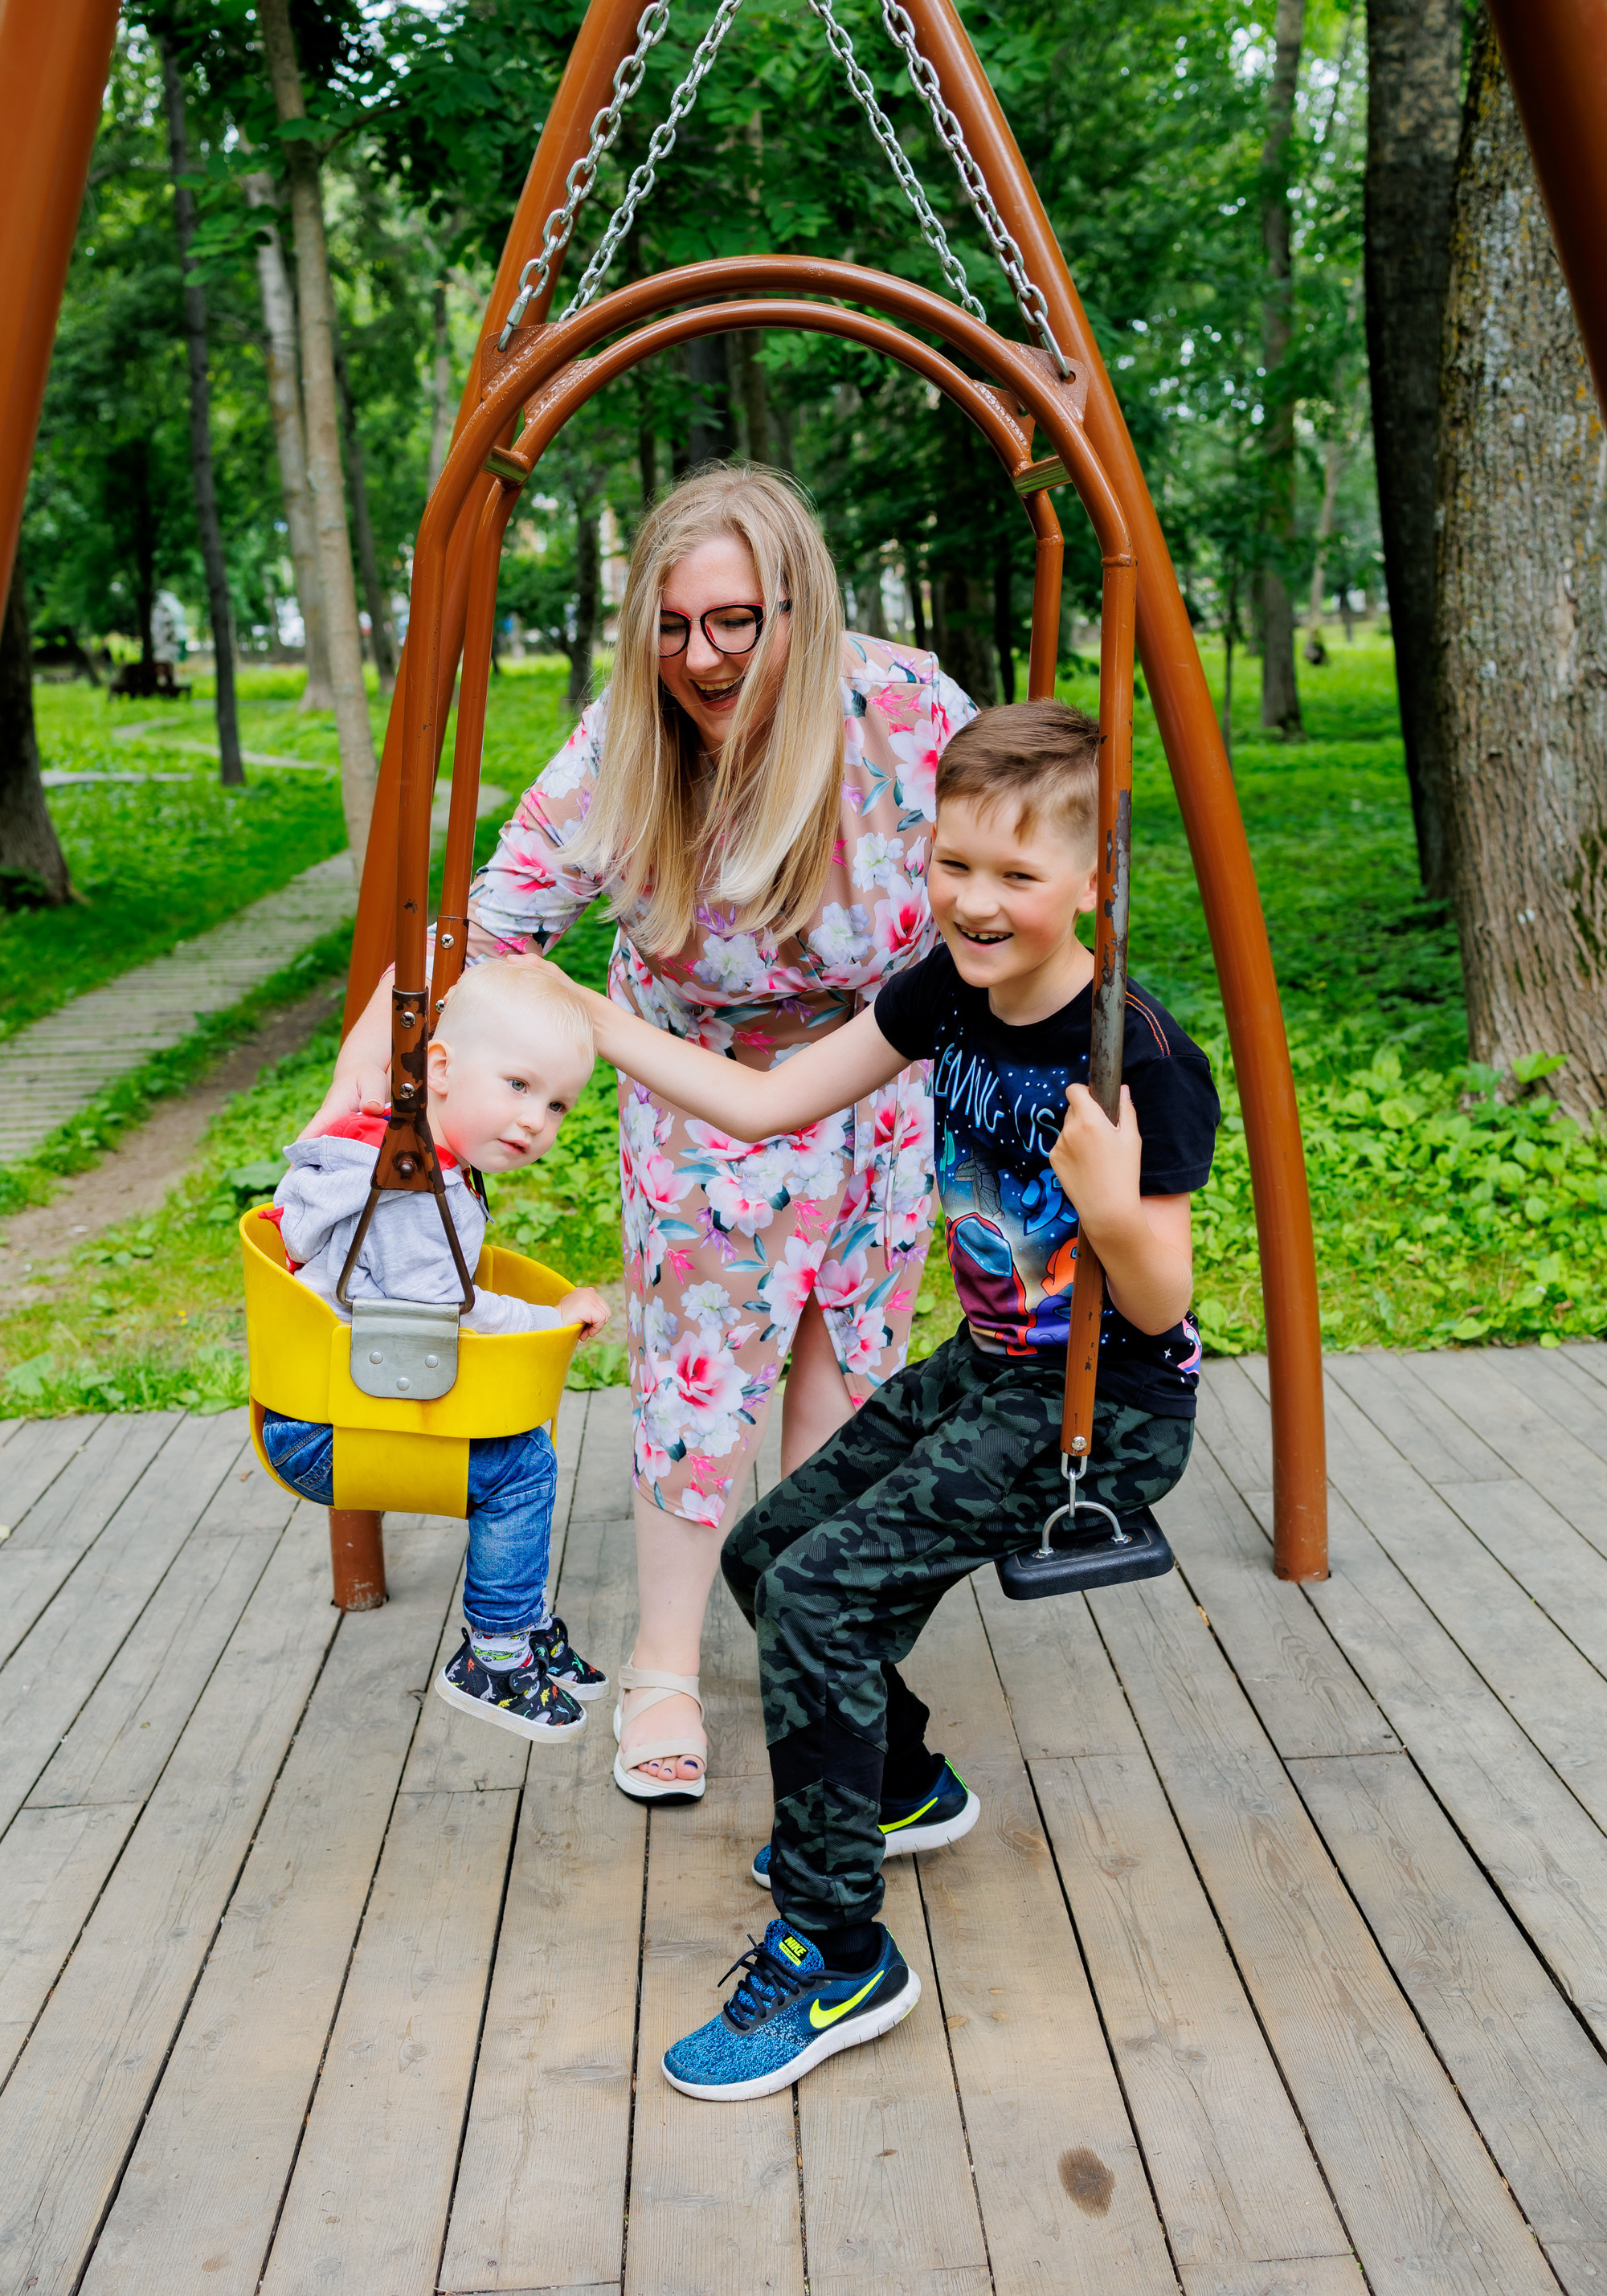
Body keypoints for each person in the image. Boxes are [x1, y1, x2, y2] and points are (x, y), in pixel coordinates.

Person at [541, 698, 1220, 2098]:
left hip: (1102, 1407)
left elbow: (1159, 1308)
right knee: (764, 1551)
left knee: (825, 1597)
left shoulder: (1134, 1054)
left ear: (1092, 882)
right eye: (955, 864)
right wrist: (600, 1021)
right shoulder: (943, 995)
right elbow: (768, 1104)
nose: (975, 903)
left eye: (1016, 876)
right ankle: (898, 1783)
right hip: (992, 1367)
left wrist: (1116, 1207)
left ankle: (835, 1948)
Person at [305, 464, 977, 1797]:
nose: (701, 656)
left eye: (734, 621)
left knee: (844, 1379)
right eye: (672, 627)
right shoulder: (627, 744)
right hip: (693, 1083)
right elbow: (488, 928)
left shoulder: (909, 712)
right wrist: (349, 1115)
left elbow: (1019, 863)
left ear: (805, 606)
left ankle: (815, 1650)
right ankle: (667, 1667)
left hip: (880, 1084)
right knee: (693, 1387)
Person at [264, 955, 613, 1742]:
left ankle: (518, 1625)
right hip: (328, 1429)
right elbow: (439, 1313)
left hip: (329, 1396)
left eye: (556, 1104)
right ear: (444, 1069)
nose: (535, 1121)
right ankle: (493, 1652)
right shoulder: (407, 1183)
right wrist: (551, 1320)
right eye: (518, 1086)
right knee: (522, 1468)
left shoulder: (391, 1137)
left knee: (521, 1448)